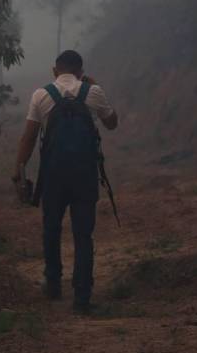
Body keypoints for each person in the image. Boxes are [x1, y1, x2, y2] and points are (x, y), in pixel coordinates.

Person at [12, 50, 119, 313]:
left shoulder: (41, 94)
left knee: (51, 228)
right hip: (84, 176)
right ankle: (82, 297)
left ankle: (53, 284)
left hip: (53, 176)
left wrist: (19, 171)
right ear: (81, 71)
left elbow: (28, 138)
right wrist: (94, 86)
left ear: (54, 71)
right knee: (83, 235)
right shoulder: (92, 92)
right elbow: (112, 124)